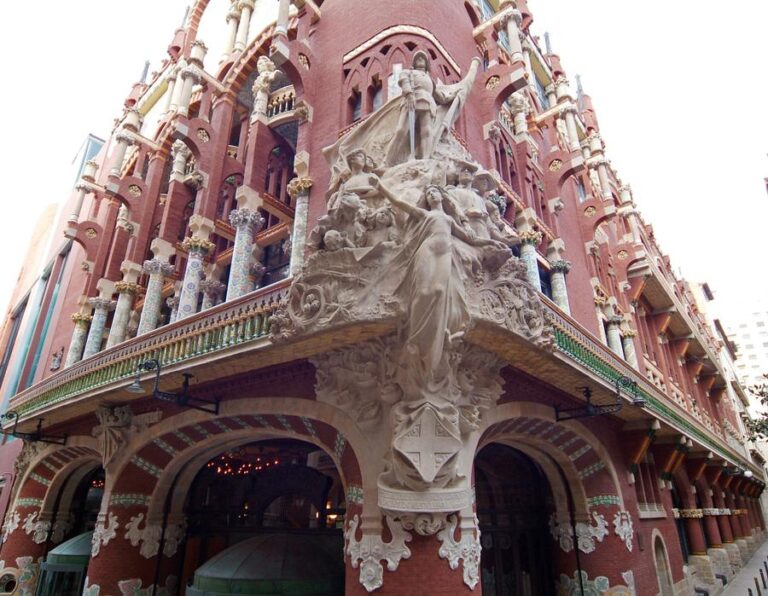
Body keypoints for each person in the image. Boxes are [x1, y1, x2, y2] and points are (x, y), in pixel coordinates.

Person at [372, 177, 506, 392]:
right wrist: (380, 187)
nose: (432, 195)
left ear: (443, 197)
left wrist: (491, 242)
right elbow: (400, 203)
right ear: (426, 198)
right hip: (427, 251)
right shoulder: (425, 214)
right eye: (429, 193)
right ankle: (414, 336)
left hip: (445, 253)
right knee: (423, 291)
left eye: (436, 192)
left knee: (438, 290)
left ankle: (433, 339)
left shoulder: (449, 219)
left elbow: (470, 239)